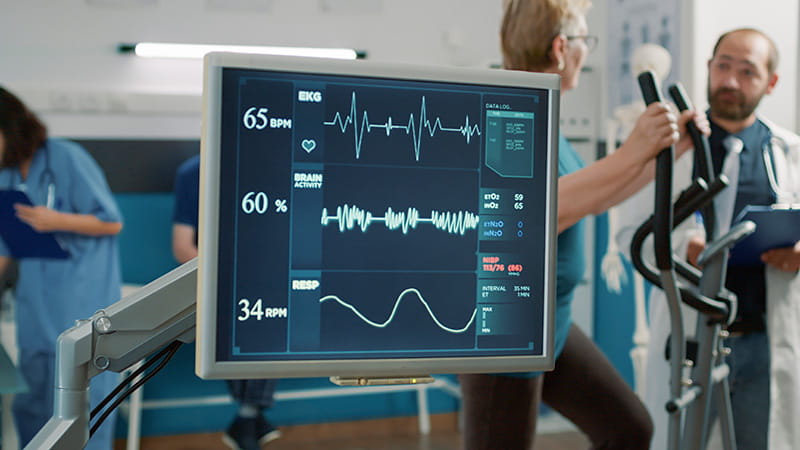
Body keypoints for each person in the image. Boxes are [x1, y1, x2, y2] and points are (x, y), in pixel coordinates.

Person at [457, 1, 709, 449]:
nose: (586, 51)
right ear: (561, 48)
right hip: (508, 330)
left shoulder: (544, 111)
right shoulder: (511, 111)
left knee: (629, 429)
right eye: (585, 41)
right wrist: (633, 150)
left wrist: (669, 152)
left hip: (551, 324)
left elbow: (593, 197)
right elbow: (532, 215)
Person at [615, 28, 800, 450]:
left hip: (762, 341)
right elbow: (630, 234)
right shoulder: (673, 146)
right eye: (723, 66)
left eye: (747, 71)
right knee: (682, 440)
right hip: (691, 337)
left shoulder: (790, 152)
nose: (730, 81)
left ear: (771, 82)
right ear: (708, 68)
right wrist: (685, 249)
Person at [0, 86, 123, 449]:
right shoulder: (6, 175)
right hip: (35, 308)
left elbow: (111, 222)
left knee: (85, 407)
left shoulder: (66, 157)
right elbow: (6, 244)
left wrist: (57, 220)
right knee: (32, 404)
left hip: (81, 301)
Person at [172, 154, 281, 450]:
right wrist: (228, 274)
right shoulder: (193, 173)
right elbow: (182, 248)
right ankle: (250, 417)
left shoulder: (274, 166)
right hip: (217, 283)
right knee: (246, 315)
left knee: (270, 309)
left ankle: (247, 418)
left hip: (268, 283)